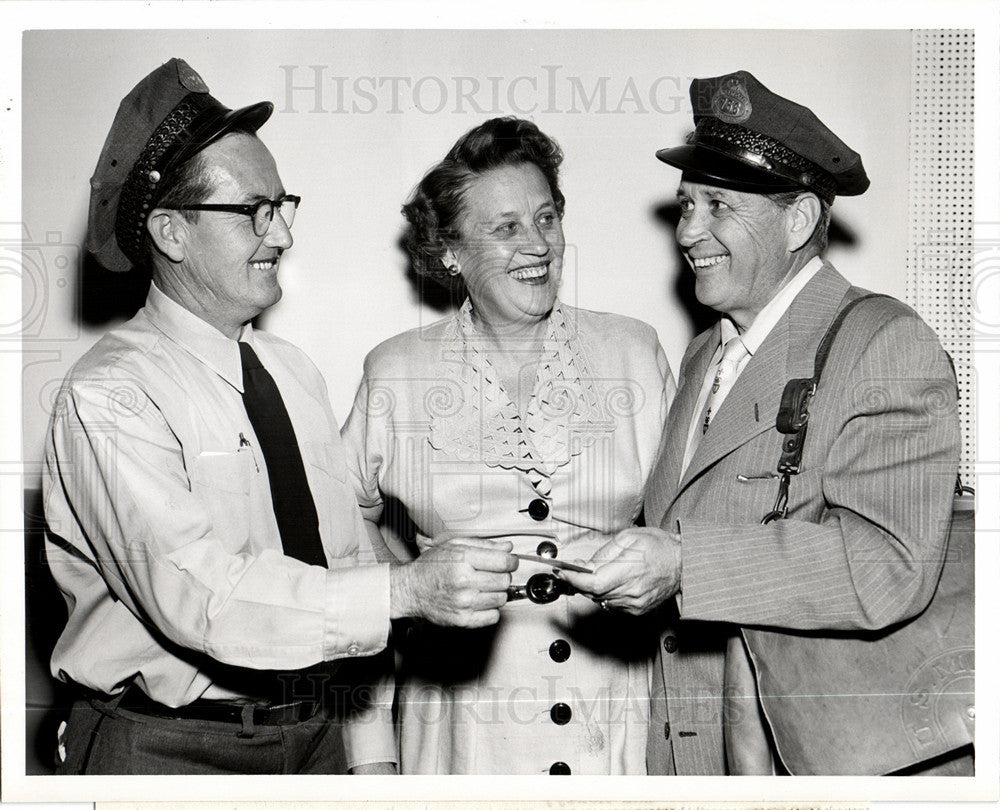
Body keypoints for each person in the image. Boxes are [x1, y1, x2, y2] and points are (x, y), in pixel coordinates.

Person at [42, 58, 517, 776]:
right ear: (170, 233)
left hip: (317, 736)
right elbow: (201, 597)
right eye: (253, 212)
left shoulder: (291, 371)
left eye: (283, 205)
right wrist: (408, 589)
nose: (284, 236)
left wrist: (369, 755)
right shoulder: (109, 395)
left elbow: (343, 558)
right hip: (170, 750)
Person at [559, 71, 968, 776]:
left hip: (802, 761)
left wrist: (684, 561)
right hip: (698, 756)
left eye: (718, 205)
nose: (688, 232)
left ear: (800, 220)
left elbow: (890, 566)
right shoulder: (703, 356)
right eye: (686, 205)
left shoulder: (884, 342)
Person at [339, 117, 674, 775]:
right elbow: (338, 527)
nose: (537, 246)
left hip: (615, 718)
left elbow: (693, 527)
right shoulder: (398, 372)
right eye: (506, 228)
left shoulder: (633, 352)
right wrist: (406, 596)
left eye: (546, 219)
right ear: (451, 252)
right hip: (464, 727)